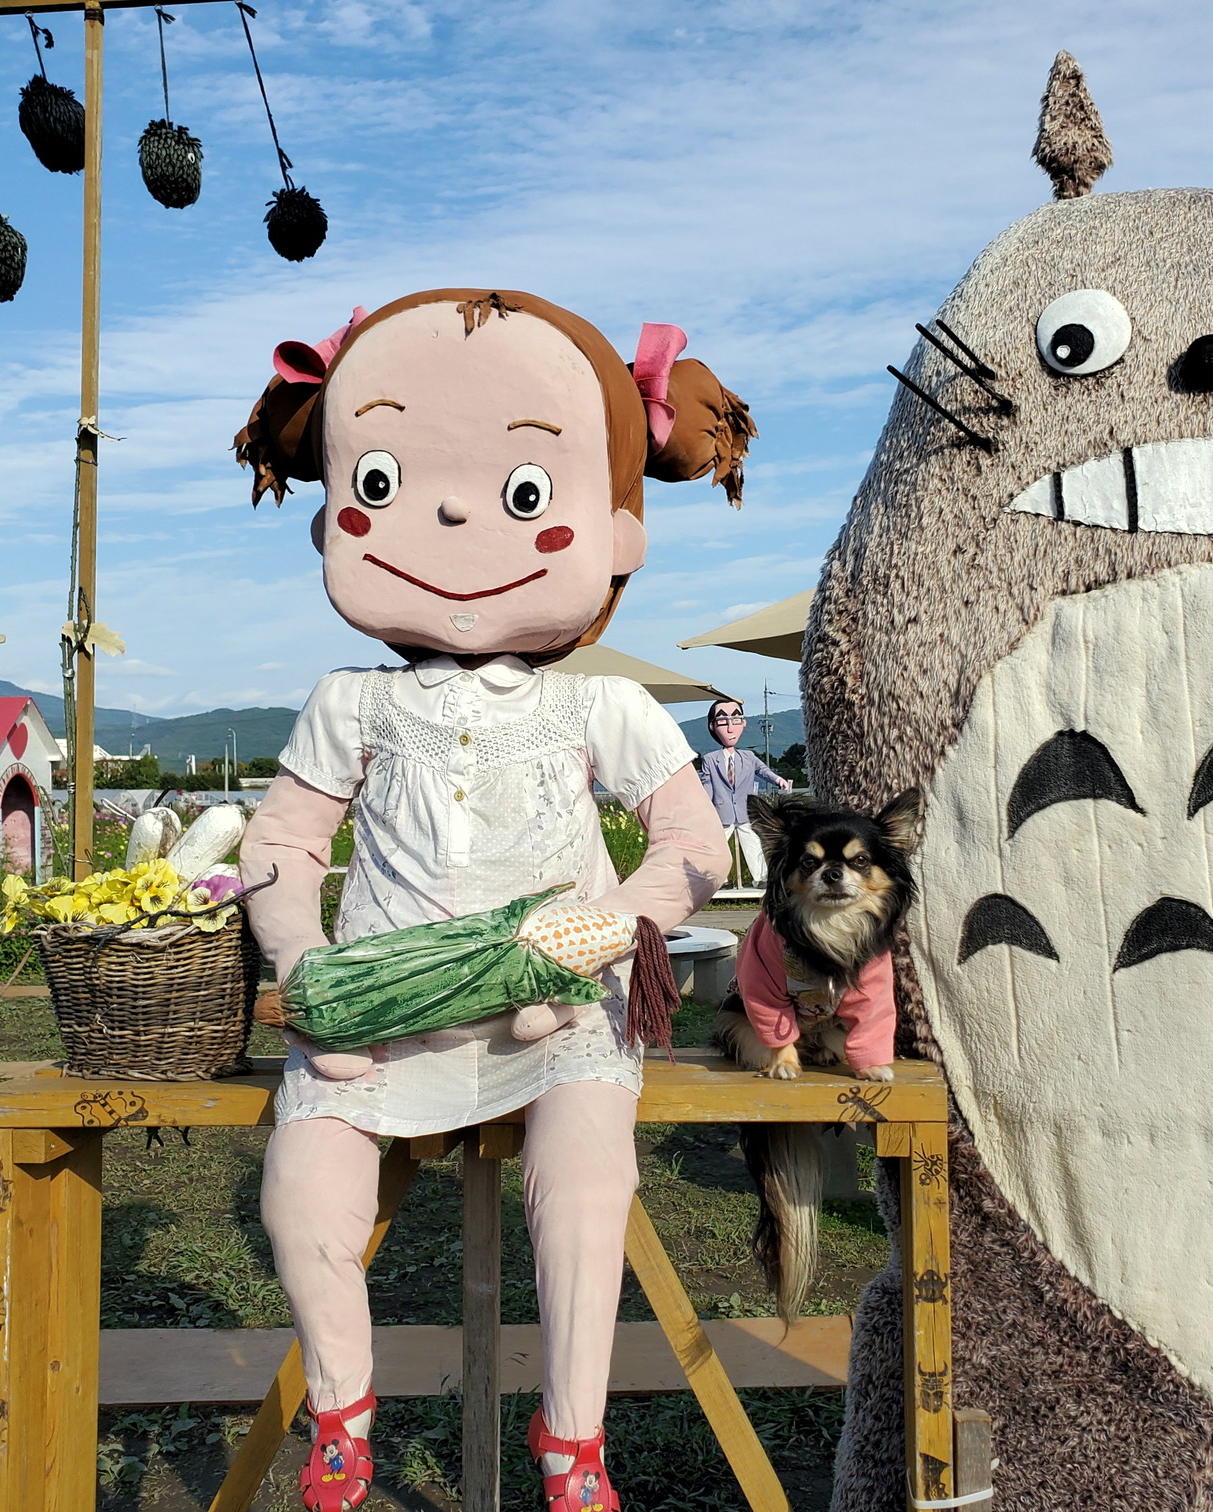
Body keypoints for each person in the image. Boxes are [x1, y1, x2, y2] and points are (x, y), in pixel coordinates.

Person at [234, 292, 748, 1512]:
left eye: (528, 494)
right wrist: (304, 959)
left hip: (556, 1012)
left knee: (585, 1188)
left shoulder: (600, 706)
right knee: (300, 1183)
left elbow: (694, 839)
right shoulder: (351, 701)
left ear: (616, 525)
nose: (458, 514)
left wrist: (611, 923)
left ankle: (574, 1442)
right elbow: (285, 839)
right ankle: (344, 1413)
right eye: (390, 476)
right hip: (374, 1015)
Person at [696, 700, 790, 887]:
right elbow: (707, 784)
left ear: (743, 723)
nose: (730, 727)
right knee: (718, 846)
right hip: (721, 813)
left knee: (753, 842)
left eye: (737, 719)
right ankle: (720, 879)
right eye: (723, 721)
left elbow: (763, 771)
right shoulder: (710, 759)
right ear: (713, 726)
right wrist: (704, 807)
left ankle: (761, 877)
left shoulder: (749, 757)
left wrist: (778, 780)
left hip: (745, 812)